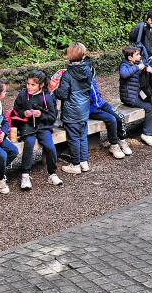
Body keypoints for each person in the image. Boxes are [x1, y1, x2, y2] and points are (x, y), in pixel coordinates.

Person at [12, 70, 63, 189]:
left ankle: (52, 173)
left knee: (50, 146)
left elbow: (52, 117)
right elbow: (16, 110)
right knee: (29, 143)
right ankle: (25, 175)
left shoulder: (47, 97)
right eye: (28, 84)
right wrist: (23, 113)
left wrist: (41, 115)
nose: (29, 87)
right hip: (27, 126)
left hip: (43, 126)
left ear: (41, 85)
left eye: (33, 85)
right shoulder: (22, 95)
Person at [55, 43, 95, 175]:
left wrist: (55, 91)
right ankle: (84, 162)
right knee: (82, 136)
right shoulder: (88, 70)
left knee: (73, 138)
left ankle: (75, 164)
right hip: (84, 109)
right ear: (83, 55)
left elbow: (62, 94)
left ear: (69, 56)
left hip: (71, 111)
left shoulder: (67, 74)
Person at [119, 45, 152, 146]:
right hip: (129, 98)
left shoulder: (137, 63)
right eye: (137, 54)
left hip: (137, 95)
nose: (140, 56)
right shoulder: (124, 65)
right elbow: (124, 74)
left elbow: (149, 71)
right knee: (150, 108)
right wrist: (137, 67)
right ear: (130, 58)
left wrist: (151, 70)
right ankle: (147, 134)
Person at [88, 73, 132, 159]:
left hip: (102, 103)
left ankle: (122, 140)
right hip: (92, 109)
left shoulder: (91, 75)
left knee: (119, 116)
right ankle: (114, 145)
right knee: (111, 119)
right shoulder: (80, 79)